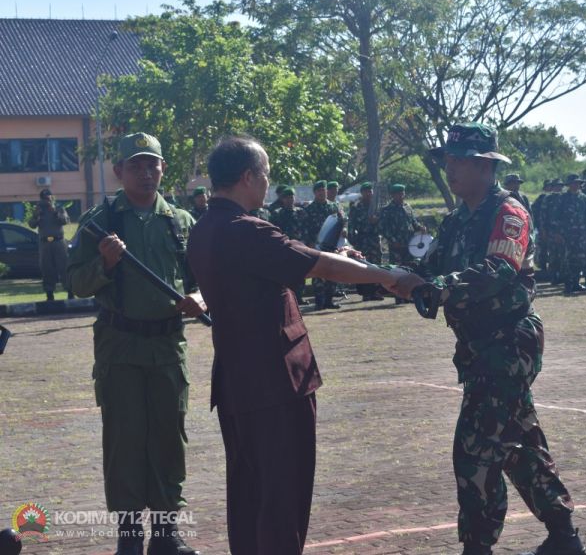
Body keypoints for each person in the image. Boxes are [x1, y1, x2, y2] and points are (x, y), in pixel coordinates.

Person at [186, 136, 415, 555]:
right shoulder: (247, 229)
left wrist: (345, 259)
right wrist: (386, 274)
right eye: (266, 175)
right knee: (283, 497)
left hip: (238, 382)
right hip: (276, 382)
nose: (267, 184)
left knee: (249, 494)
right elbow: (321, 265)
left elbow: (293, 263)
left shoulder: (204, 228)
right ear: (247, 176)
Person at [399, 122, 584, 555]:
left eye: (460, 161)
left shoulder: (509, 212)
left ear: (485, 166)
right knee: (521, 447)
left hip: (507, 344)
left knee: (475, 450)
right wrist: (390, 275)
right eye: (448, 160)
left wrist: (440, 287)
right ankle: (564, 535)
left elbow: (500, 270)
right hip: (478, 347)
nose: (450, 168)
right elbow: (432, 272)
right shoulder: (456, 220)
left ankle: (478, 547)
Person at [67, 132, 205, 555]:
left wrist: (200, 298)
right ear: (119, 171)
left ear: (163, 168)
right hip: (120, 348)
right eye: (137, 165)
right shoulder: (101, 221)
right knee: (124, 442)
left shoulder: (180, 222)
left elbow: (204, 280)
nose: (147, 172)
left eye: (153, 164)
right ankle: (129, 536)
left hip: (167, 348)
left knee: (169, 439)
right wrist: (105, 263)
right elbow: (75, 283)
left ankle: (165, 535)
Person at [378, 184, 425, 303]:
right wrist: (393, 241)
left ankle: (410, 294)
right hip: (396, 246)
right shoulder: (387, 210)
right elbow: (383, 228)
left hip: (410, 245)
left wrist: (420, 228)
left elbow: (413, 223)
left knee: (410, 269)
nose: (401, 196)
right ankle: (399, 297)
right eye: (398, 194)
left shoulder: (407, 207)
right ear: (393, 195)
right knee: (398, 271)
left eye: (402, 193)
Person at [303, 180, 344, 310]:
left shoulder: (334, 206)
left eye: (324, 190)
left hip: (332, 245)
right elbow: (305, 228)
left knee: (333, 271)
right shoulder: (309, 209)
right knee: (319, 273)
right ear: (315, 193)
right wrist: (309, 243)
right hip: (317, 245)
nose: (322, 193)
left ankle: (329, 300)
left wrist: (344, 230)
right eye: (319, 191)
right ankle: (319, 302)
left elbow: (342, 221)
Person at [551, 173, 586, 294]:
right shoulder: (562, 198)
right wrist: (557, 233)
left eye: (578, 183)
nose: (575, 185)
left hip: (581, 235)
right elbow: (555, 217)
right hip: (567, 235)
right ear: (569, 185)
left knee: (580, 259)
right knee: (567, 259)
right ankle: (568, 285)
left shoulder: (584, 198)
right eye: (573, 183)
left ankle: (576, 283)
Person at [28, 188, 72, 301]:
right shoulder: (38, 211)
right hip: (45, 243)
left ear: (52, 198)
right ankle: (49, 293)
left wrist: (55, 212)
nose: (46, 201)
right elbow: (32, 225)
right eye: (44, 199)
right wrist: (36, 215)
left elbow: (65, 221)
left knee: (64, 267)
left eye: (48, 198)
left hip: (59, 242)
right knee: (47, 268)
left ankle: (70, 291)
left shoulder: (59, 208)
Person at [348, 181, 384, 301]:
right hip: (362, 240)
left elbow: (383, 223)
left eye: (370, 191)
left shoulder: (377, 207)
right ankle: (366, 292)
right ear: (362, 193)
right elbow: (351, 225)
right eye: (366, 191)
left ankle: (376, 291)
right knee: (363, 266)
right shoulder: (356, 207)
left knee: (376, 265)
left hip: (374, 239)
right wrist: (353, 240)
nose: (369, 193)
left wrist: (376, 221)